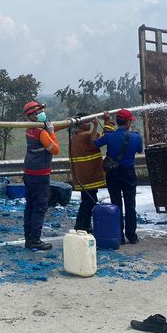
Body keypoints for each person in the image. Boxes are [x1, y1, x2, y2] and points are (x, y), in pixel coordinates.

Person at [94, 109, 143, 244]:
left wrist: (97, 125)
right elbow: (139, 150)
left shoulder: (109, 136)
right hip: (128, 173)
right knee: (130, 204)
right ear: (128, 123)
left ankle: (119, 236)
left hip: (113, 173)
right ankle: (132, 236)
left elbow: (95, 143)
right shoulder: (136, 137)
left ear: (117, 122)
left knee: (116, 204)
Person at [22, 100, 61, 250]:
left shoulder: (30, 129)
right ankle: (35, 240)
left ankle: (29, 238)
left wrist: (64, 125)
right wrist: (51, 132)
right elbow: (55, 149)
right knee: (39, 207)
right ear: (32, 115)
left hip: (30, 174)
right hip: (40, 176)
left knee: (30, 206)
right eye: (39, 112)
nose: (42, 113)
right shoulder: (41, 132)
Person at [68, 114, 114, 232]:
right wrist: (107, 122)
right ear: (80, 124)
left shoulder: (75, 136)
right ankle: (81, 226)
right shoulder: (86, 136)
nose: (89, 123)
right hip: (89, 175)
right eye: (87, 122)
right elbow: (107, 137)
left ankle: (84, 225)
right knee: (89, 202)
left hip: (83, 176)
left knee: (87, 200)